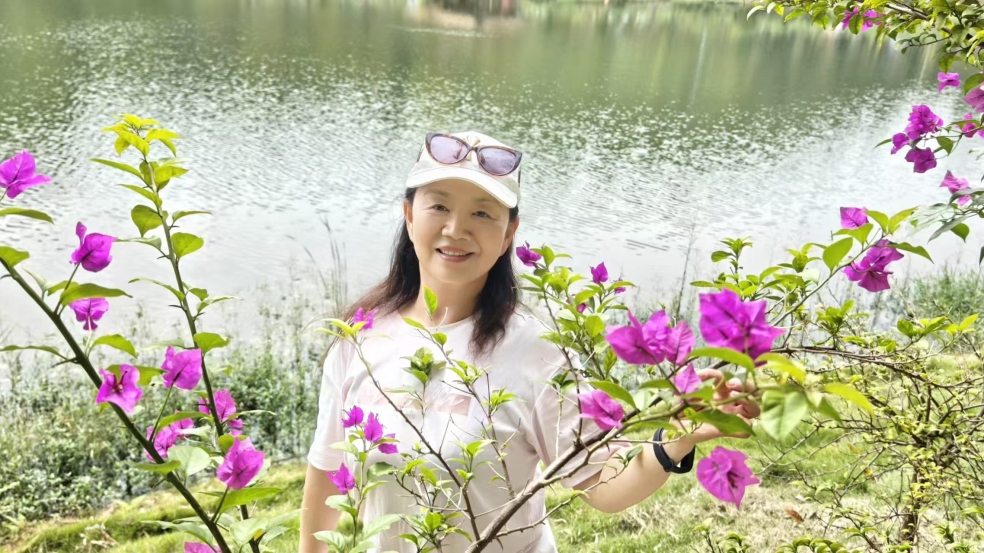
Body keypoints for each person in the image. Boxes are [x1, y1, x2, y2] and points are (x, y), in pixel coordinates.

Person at [299, 131, 761, 553]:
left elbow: (602, 482)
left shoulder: (540, 353)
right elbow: (325, 476)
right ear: (408, 215)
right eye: (439, 206)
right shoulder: (358, 339)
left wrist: (677, 437)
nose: (456, 229)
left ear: (508, 235)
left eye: (482, 213)